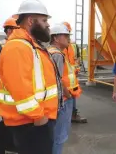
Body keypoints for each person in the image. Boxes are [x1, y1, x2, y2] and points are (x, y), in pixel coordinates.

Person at [0, 0, 62, 154]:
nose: (48, 25)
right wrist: (39, 117)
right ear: (31, 21)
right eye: (44, 20)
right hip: (30, 123)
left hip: (33, 121)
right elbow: (21, 92)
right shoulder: (18, 47)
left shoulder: (31, 45)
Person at [0, 17, 19, 154]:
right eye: (17, 29)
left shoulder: (17, 45)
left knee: (13, 119)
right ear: (9, 30)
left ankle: (10, 145)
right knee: (7, 119)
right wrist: (2, 86)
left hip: (16, 89)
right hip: (6, 90)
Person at [48, 24, 81, 154]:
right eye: (66, 36)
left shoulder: (49, 51)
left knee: (54, 135)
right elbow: (58, 80)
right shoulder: (57, 54)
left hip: (55, 99)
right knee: (60, 136)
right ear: (56, 38)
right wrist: (68, 94)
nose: (69, 39)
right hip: (63, 99)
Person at [62, 21, 87, 123]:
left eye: (68, 33)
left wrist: (77, 69)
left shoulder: (73, 46)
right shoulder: (58, 47)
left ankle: (73, 114)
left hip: (72, 77)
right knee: (64, 97)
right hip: (63, 77)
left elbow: (76, 59)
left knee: (73, 95)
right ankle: (66, 115)